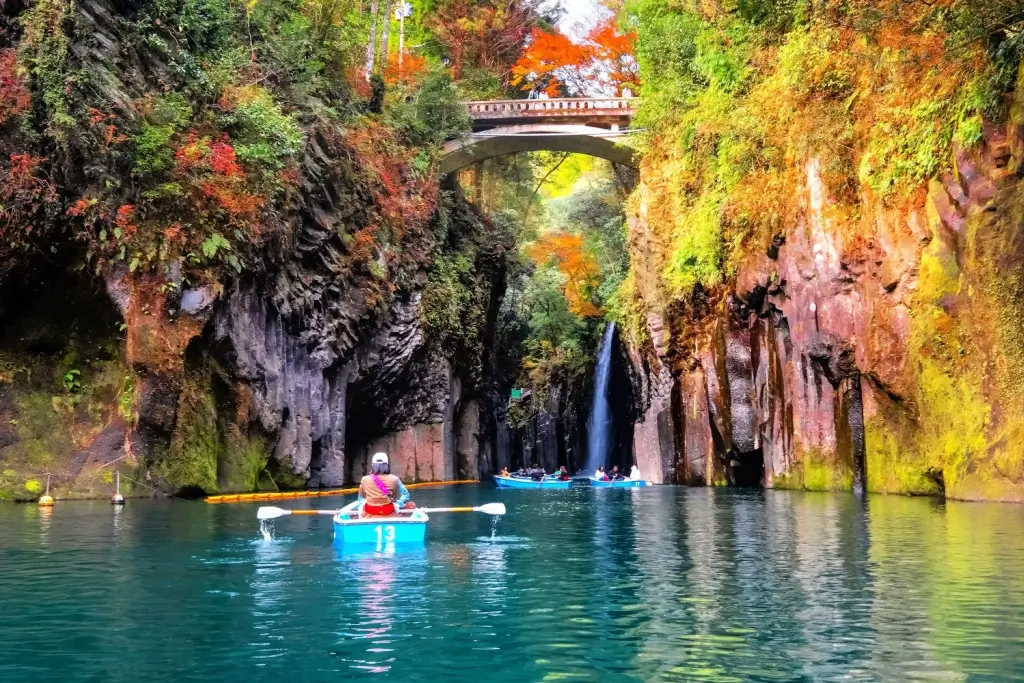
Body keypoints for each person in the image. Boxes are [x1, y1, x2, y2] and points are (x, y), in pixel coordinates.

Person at [358, 452, 414, 517]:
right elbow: (405, 495)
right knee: (407, 504)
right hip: (389, 512)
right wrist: (399, 503)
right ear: (387, 465)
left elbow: (360, 499)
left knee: (361, 505)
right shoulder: (394, 479)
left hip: (370, 513)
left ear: (373, 465)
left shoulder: (364, 479)